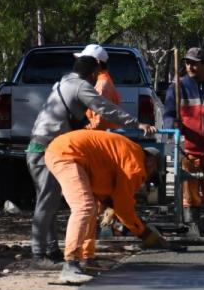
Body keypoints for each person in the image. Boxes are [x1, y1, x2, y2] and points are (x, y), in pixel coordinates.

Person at [25, 46, 155, 267]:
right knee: (51, 203)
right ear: (94, 72)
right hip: (47, 148)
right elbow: (106, 109)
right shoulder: (80, 86)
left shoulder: (63, 81)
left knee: (51, 202)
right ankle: (39, 256)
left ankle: (52, 252)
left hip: (45, 146)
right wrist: (136, 123)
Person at [44, 129, 168, 284]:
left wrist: (109, 203)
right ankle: (70, 266)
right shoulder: (136, 163)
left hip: (70, 152)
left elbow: (108, 193)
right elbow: (123, 207)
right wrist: (145, 234)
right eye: (150, 175)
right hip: (68, 154)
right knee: (83, 207)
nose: (145, 179)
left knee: (91, 209)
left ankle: (87, 260)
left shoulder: (125, 155)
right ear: (152, 163)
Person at [162, 47, 204, 225]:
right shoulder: (177, 87)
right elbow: (168, 115)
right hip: (189, 151)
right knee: (189, 194)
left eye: (195, 64)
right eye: (188, 63)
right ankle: (191, 228)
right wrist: (172, 124)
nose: (190, 67)